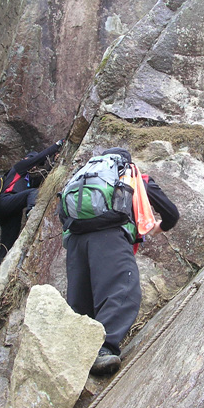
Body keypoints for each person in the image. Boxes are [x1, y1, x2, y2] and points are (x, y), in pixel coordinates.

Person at [59, 147, 179, 376]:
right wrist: (158, 227)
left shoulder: (83, 176)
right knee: (123, 291)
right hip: (110, 236)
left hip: (75, 240)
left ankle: (74, 358)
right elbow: (171, 213)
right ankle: (103, 350)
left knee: (81, 301)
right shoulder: (131, 176)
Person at [0, 139, 63, 293]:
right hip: (4, 203)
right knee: (33, 194)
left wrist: (54, 163)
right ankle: (31, 212)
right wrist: (58, 145)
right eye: (32, 163)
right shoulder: (19, 168)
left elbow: (47, 175)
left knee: (7, 246)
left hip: (8, 212)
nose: (34, 166)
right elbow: (40, 157)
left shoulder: (29, 179)